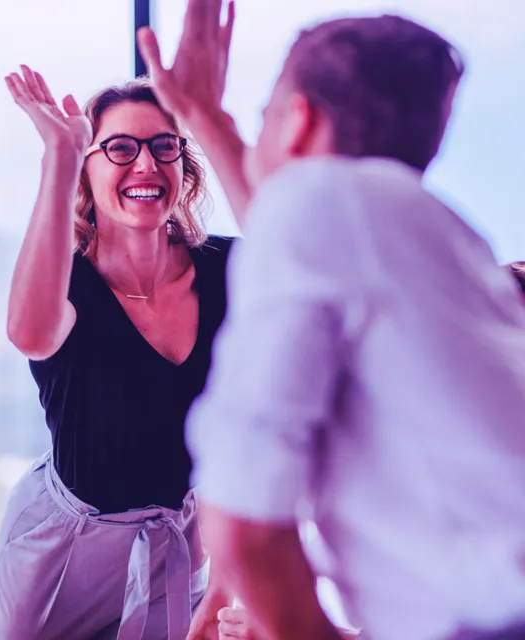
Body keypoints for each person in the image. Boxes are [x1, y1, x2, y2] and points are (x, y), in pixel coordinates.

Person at [138, 4, 525, 640]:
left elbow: (244, 523)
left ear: (300, 123)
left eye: (262, 118)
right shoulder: (441, 236)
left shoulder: (321, 204)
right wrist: (205, 117)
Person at [0, 65, 239, 640]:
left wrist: (224, 587)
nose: (145, 164)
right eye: (120, 148)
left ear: (183, 165)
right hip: (62, 553)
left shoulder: (229, 270)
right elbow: (30, 334)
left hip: (177, 542)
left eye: (163, 146)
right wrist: (59, 154)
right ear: (86, 170)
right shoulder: (65, 282)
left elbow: (245, 440)